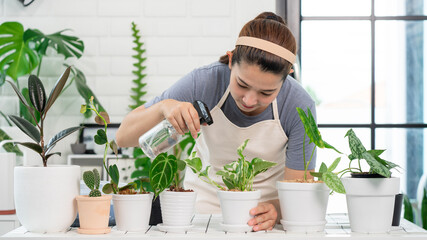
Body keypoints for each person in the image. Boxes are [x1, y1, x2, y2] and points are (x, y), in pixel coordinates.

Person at [116, 12, 316, 231]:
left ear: (287, 75)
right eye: (242, 84)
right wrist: (164, 108)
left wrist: (275, 209)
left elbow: (298, 192)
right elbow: (124, 137)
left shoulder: (298, 105)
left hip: (262, 217)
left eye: (266, 92)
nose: (249, 100)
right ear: (231, 60)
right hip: (203, 211)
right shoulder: (205, 82)